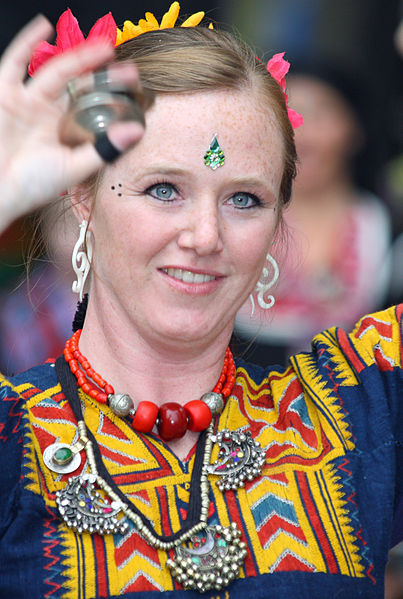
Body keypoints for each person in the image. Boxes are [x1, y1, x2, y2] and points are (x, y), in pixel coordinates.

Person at [0, 4, 401, 598]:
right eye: (164, 189)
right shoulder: (15, 438)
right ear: (83, 196)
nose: (205, 236)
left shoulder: (358, 410)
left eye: (244, 199)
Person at [235, 67, 392, 367]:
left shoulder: (386, 229)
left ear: (355, 129)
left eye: (318, 115)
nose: (301, 133)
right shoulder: (233, 214)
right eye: (288, 115)